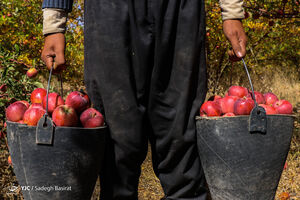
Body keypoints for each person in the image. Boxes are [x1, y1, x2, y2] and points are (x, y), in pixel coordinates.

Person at [41, 0, 247, 199]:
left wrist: (232, 11)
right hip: (109, 10)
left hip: (179, 9)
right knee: (117, 139)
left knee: (181, 133)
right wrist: (54, 22)